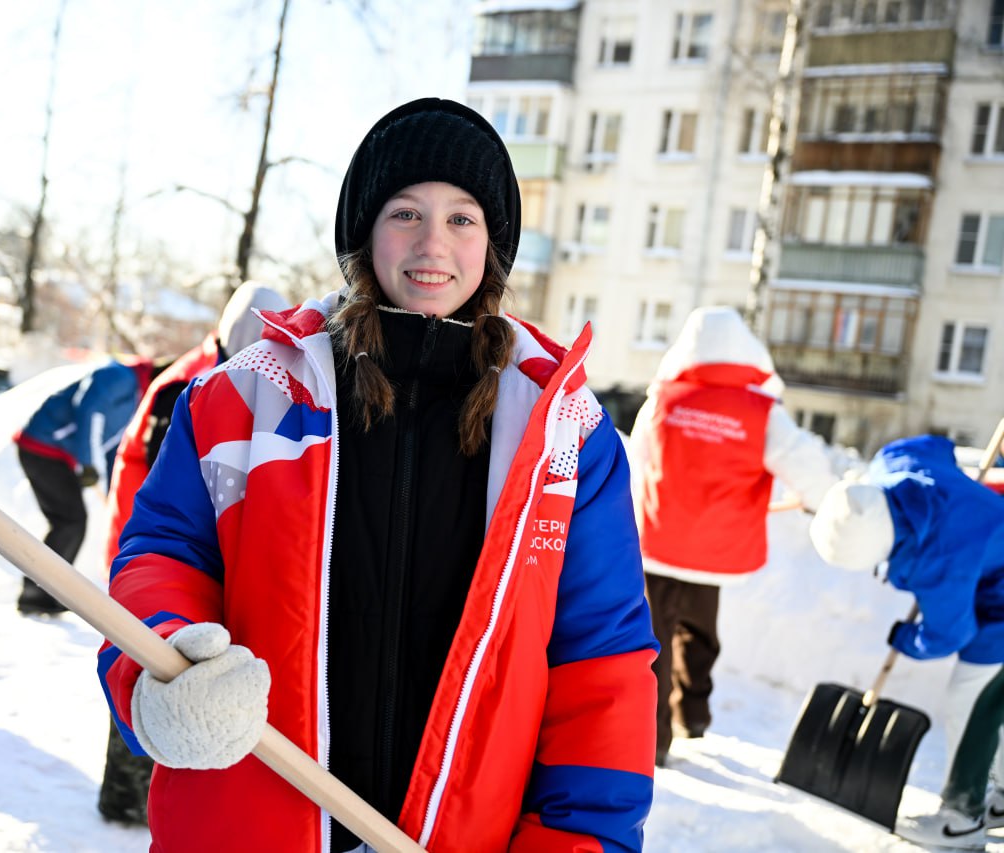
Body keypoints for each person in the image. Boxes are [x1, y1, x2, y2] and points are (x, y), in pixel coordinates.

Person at [98, 97, 659, 852]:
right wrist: (163, 664)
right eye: (405, 212)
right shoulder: (246, 395)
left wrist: (582, 841)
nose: (434, 241)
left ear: (492, 245)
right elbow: (163, 558)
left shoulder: (564, 434)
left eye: (463, 217)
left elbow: (602, 664)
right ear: (365, 234)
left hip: (464, 836)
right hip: (249, 822)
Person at [626, 305, 859, 767]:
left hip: (657, 547)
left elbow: (637, 464)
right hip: (714, 549)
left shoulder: (664, 401)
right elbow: (803, 461)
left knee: (653, 642)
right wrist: (821, 500)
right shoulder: (760, 412)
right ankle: (692, 716)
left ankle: (653, 742)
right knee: (701, 633)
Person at [96, 280, 288, 826]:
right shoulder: (185, 390)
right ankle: (124, 797)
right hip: (148, 566)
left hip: (206, 569)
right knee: (149, 677)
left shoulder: (271, 386)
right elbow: (171, 511)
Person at [810, 434, 1004, 850]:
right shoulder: (896, 467)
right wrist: (954, 484)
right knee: (994, 701)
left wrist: (906, 637)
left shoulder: (938, 558)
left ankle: (962, 818)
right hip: (989, 559)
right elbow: (933, 445)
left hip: (999, 604)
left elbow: (950, 634)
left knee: (973, 702)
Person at [12, 355, 161, 614]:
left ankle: (44, 591)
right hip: (44, 445)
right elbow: (91, 413)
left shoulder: (137, 396)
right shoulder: (119, 376)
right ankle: (38, 593)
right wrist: (88, 464)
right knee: (70, 522)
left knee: (69, 522)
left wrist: (112, 489)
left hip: (59, 454)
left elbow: (112, 445)